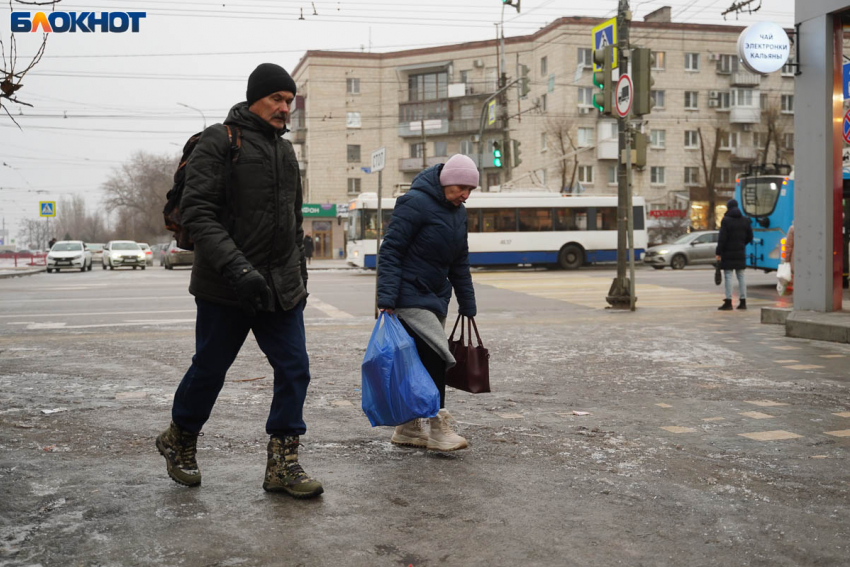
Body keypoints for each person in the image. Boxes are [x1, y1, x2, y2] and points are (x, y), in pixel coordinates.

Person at [155, 63, 323, 499]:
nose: (285, 108)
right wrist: (239, 269)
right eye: (277, 99)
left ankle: (282, 465)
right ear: (255, 98)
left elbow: (292, 219)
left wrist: (298, 273)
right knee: (210, 369)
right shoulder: (219, 141)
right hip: (224, 286)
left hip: (280, 287)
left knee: (295, 369)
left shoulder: (286, 153)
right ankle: (180, 439)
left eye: (290, 101)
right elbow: (199, 214)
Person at [376, 154, 478, 452]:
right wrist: (386, 299)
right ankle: (437, 427)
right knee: (437, 355)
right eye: (462, 187)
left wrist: (467, 303)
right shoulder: (414, 203)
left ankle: (407, 428)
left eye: (470, 190)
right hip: (408, 295)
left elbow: (460, 261)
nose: (465, 194)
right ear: (447, 181)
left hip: (435, 297)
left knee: (418, 362)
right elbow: (391, 251)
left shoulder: (458, 213)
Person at [716, 198, 753, 311]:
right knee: (741, 276)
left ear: (728, 208)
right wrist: (741, 244)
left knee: (728, 276)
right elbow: (750, 237)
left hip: (727, 252)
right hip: (740, 252)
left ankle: (728, 302)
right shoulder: (745, 220)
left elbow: (722, 238)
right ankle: (743, 302)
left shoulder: (726, 220)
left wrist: (718, 252)